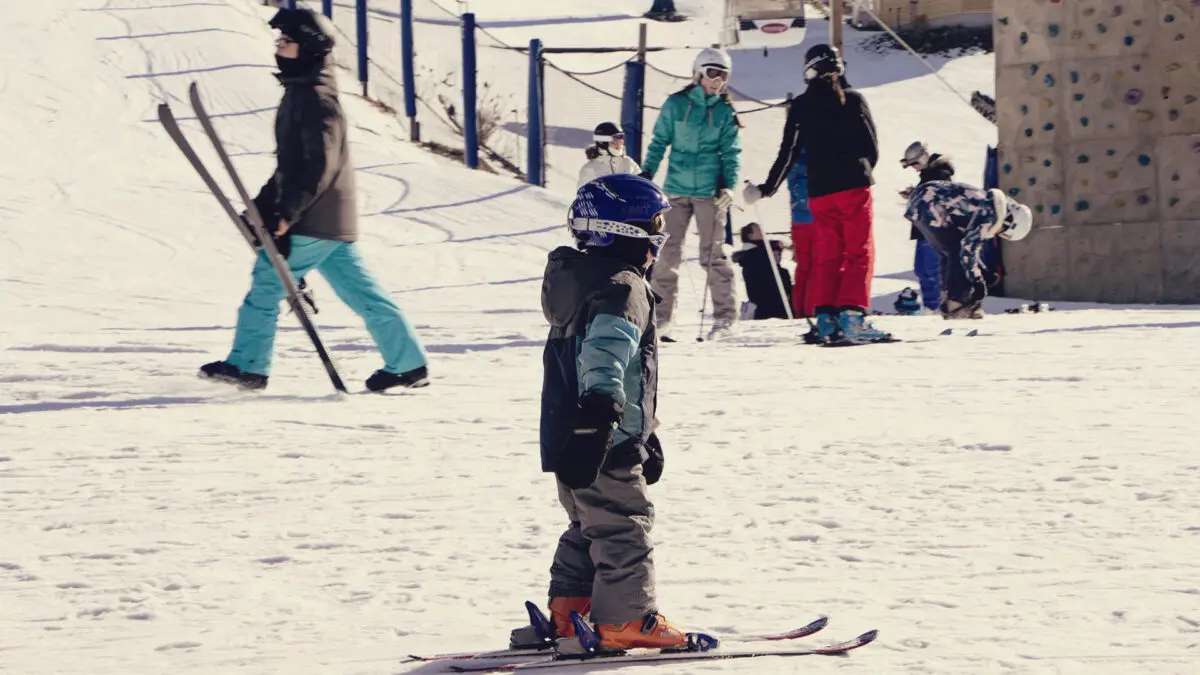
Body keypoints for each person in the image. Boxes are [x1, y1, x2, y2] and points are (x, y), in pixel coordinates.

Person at [199, 8, 429, 392]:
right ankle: (409, 363)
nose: (279, 47)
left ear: (308, 47)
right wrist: (262, 206)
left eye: (286, 41)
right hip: (330, 217)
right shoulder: (304, 92)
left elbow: (315, 167)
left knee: (267, 283)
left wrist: (286, 214)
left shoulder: (315, 98)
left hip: (315, 217)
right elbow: (291, 164)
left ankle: (248, 365)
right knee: (362, 292)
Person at [515, 173, 686, 653]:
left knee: (587, 525)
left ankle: (571, 613)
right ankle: (627, 619)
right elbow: (606, 357)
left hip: (572, 436)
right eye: (654, 226)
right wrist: (602, 420)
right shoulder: (622, 288)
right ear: (626, 231)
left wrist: (643, 433)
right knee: (622, 527)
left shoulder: (579, 280)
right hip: (600, 438)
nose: (658, 239)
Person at [743, 44, 886, 344]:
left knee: (827, 255)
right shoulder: (854, 100)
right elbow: (871, 147)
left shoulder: (801, 106)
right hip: (853, 187)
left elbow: (789, 152)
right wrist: (860, 171)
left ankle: (825, 319)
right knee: (859, 250)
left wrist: (767, 188)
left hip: (819, 192)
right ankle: (852, 316)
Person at [640, 47, 742, 342]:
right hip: (676, 190)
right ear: (698, 73)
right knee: (666, 256)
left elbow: (731, 153)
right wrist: (647, 174)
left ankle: (725, 318)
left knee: (713, 255)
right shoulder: (675, 105)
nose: (718, 81)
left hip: (709, 193)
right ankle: (661, 319)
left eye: (723, 75)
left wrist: (729, 186)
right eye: (713, 73)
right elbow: (659, 141)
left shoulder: (724, 112)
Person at [904, 181, 1033, 319]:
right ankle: (956, 306)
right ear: (1009, 220)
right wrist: (978, 281)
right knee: (955, 253)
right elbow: (967, 249)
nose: (997, 233)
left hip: (920, 204)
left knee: (948, 254)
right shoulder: (991, 214)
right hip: (929, 206)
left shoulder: (985, 201)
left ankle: (952, 302)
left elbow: (967, 248)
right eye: (1003, 231)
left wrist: (981, 272)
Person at [899, 141, 956, 312]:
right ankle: (931, 306)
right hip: (925, 229)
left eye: (915, 163)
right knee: (922, 269)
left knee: (931, 270)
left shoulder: (939, 175)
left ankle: (936, 307)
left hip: (932, 230)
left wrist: (915, 196)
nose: (914, 168)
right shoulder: (930, 175)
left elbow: (937, 200)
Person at [732, 223, 792, 320]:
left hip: (767, 304)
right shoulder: (757, 255)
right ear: (750, 236)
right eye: (759, 231)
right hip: (770, 306)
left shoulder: (756, 253)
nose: (762, 234)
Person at [785, 150, 815, 318]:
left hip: (798, 219)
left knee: (803, 268)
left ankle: (799, 310)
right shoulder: (818, 158)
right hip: (816, 218)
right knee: (817, 267)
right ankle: (812, 309)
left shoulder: (793, 161)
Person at [577, 122, 641, 188]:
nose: (620, 143)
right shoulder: (590, 169)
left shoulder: (628, 162)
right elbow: (584, 194)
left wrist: (643, 178)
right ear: (602, 142)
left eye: (621, 138)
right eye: (615, 140)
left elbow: (640, 186)